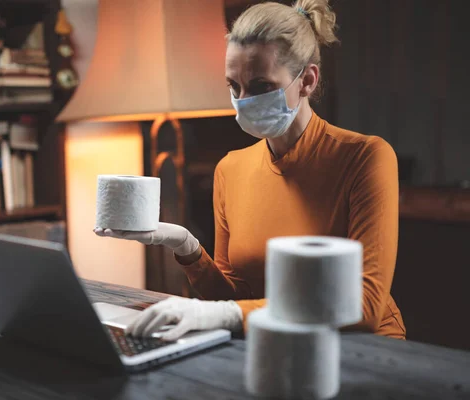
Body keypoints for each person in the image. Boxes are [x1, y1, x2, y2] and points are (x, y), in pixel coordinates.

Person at [94, 0, 406, 342]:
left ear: (307, 81)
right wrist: (186, 245)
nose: (243, 100)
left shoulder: (365, 157)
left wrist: (224, 314)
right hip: (274, 346)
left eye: (261, 87)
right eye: (234, 86)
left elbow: (365, 305)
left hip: (364, 350)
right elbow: (232, 299)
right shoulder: (231, 169)